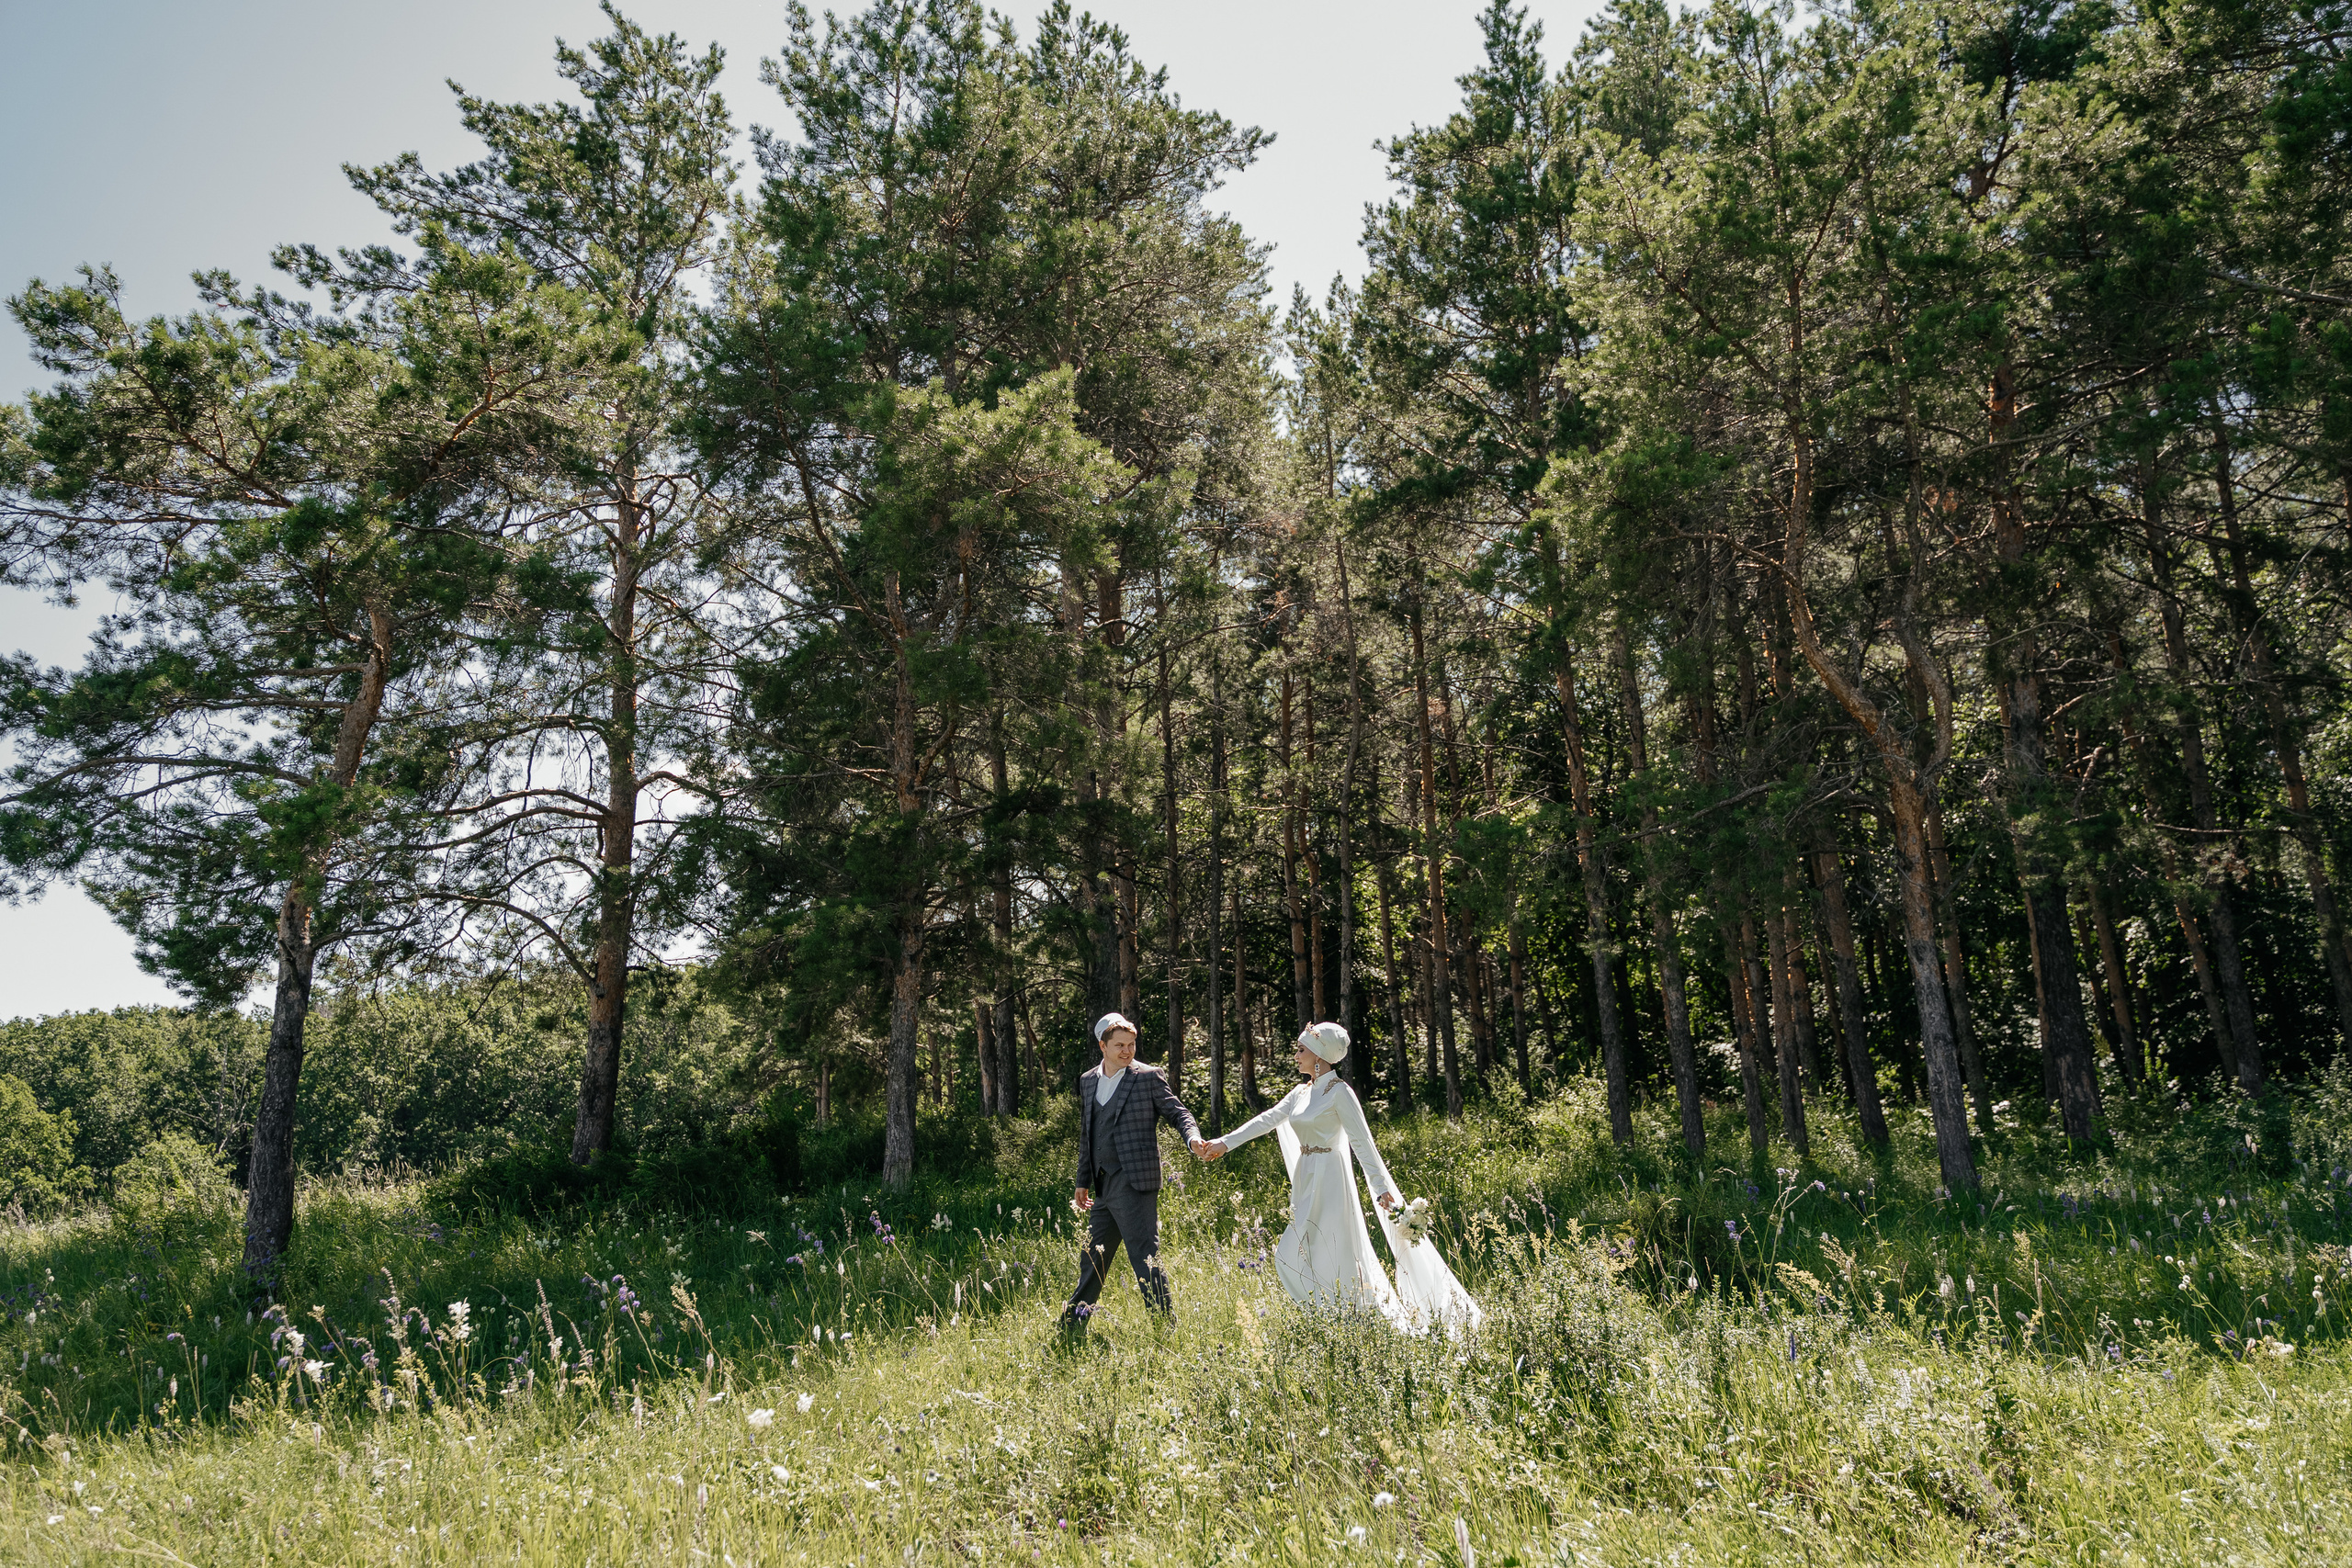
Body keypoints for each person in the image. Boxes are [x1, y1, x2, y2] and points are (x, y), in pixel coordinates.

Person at [1202, 1021, 1481, 1334]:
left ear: (1319, 1056)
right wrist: (1223, 1143)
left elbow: (1362, 1143)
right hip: (1306, 1177)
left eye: (1300, 1050)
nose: (1295, 1056)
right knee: (1291, 1253)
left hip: (1332, 1180)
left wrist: (1380, 1187)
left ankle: (1353, 1320)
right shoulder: (1300, 1093)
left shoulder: (1340, 1093)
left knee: (1332, 1251)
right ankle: (1329, 1317)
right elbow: (1266, 1121)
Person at [1063, 1010, 1209, 1329]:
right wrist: (1082, 1180)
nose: (1127, 1052)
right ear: (1103, 1046)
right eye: (1119, 1046)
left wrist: (1193, 1138)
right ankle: (1072, 1323)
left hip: (1135, 1182)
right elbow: (1088, 1133)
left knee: (1144, 1256)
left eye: (1131, 1045)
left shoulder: (1147, 1076)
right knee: (1093, 1257)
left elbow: (1178, 1113)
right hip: (1102, 1185)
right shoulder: (1088, 1080)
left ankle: (1164, 1327)